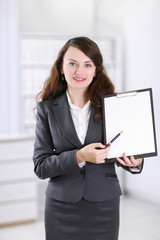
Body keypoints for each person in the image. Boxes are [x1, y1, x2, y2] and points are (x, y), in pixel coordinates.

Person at [33, 36, 143, 240]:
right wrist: (79, 156)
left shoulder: (113, 106)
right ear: (61, 67)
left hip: (104, 206)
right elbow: (41, 166)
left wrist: (135, 163)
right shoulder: (47, 109)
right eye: (72, 63)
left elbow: (125, 149)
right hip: (61, 208)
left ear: (96, 70)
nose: (79, 71)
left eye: (87, 64)